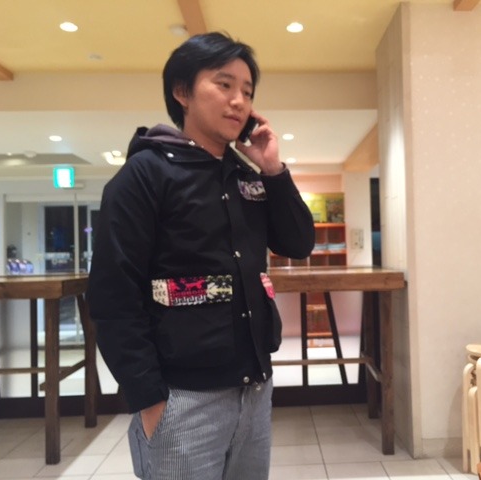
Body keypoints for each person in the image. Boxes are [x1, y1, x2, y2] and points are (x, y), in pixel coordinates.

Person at [87, 31, 315, 480]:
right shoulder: (145, 175)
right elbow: (113, 294)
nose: (239, 101)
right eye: (224, 84)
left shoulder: (247, 177)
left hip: (255, 389)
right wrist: (148, 399)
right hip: (181, 398)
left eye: (247, 91)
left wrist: (272, 169)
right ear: (182, 91)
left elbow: (298, 243)